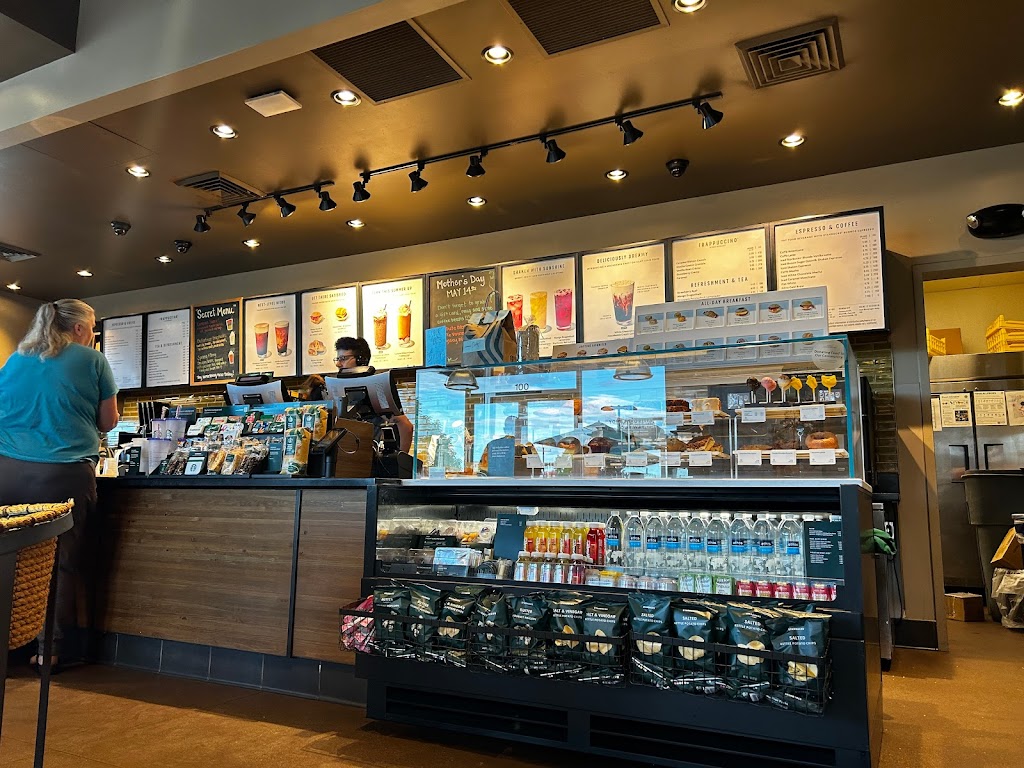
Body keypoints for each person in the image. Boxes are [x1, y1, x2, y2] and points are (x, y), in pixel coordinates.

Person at [0, 299, 119, 671]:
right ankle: (47, 651)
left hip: (8, 472)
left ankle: (6, 646)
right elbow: (108, 421)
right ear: (80, 328)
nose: (94, 334)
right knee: (57, 562)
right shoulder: (93, 360)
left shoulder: (15, 360)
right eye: (93, 327)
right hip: (63, 473)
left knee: (7, 560)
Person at [333, 336, 413, 453]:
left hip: (373, 457)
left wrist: (401, 459)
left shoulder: (377, 387)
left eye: (343, 358)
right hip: (346, 458)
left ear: (360, 359)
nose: (338, 364)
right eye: (337, 359)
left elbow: (405, 426)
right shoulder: (337, 388)